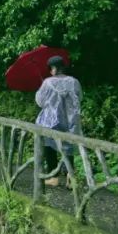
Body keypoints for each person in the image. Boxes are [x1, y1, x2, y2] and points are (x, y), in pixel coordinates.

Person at [35, 56, 82, 187]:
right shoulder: (74, 82)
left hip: (51, 120)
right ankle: (70, 177)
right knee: (68, 146)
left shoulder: (47, 82)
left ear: (54, 68)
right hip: (70, 120)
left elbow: (40, 102)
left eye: (50, 69)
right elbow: (79, 98)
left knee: (49, 145)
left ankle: (53, 177)